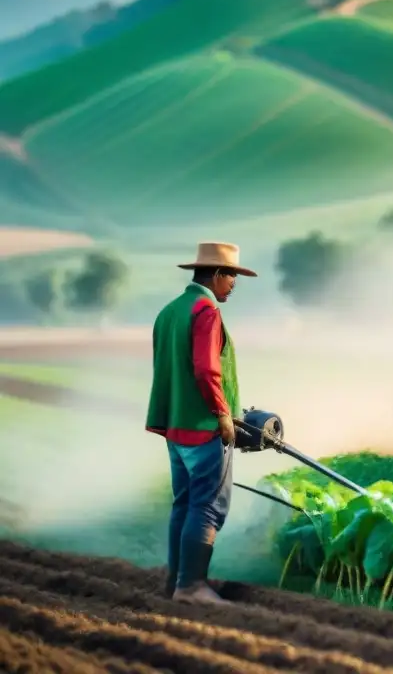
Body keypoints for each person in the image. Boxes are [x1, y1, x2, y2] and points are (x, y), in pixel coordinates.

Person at [145, 242, 257, 604]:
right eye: (232, 276)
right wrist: (223, 414)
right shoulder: (205, 311)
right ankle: (192, 586)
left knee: (184, 503)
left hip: (175, 428)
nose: (234, 284)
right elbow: (206, 369)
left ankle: (175, 583)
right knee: (207, 505)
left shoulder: (169, 311)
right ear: (217, 274)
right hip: (204, 428)